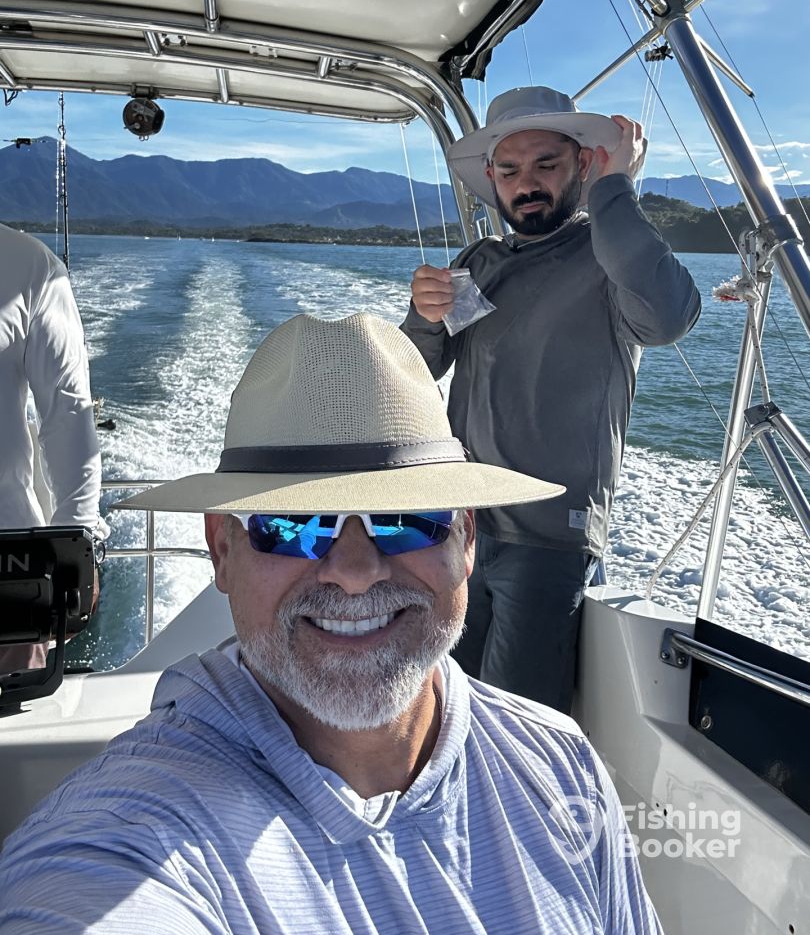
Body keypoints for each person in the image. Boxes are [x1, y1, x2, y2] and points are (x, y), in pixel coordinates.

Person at [0, 313, 662, 934]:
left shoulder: (563, 766)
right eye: (293, 523)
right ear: (222, 550)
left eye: (406, 519)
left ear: (465, 539)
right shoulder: (131, 831)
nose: (355, 571)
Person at [401, 86, 701, 712]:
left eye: (546, 164)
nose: (527, 183)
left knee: (516, 718)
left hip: (548, 538)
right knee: (442, 700)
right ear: (491, 178)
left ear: (583, 164)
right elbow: (417, 372)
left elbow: (668, 316)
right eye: (510, 170)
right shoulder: (477, 262)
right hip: (458, 525)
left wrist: (615, 190)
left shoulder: (609, 260)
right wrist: (424, 317)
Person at [0, 224, 107, 672]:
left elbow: (68, 417)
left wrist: (73, 553)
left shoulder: (29, 266)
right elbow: (69, 414)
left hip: (9, 572)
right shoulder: (25, 261)